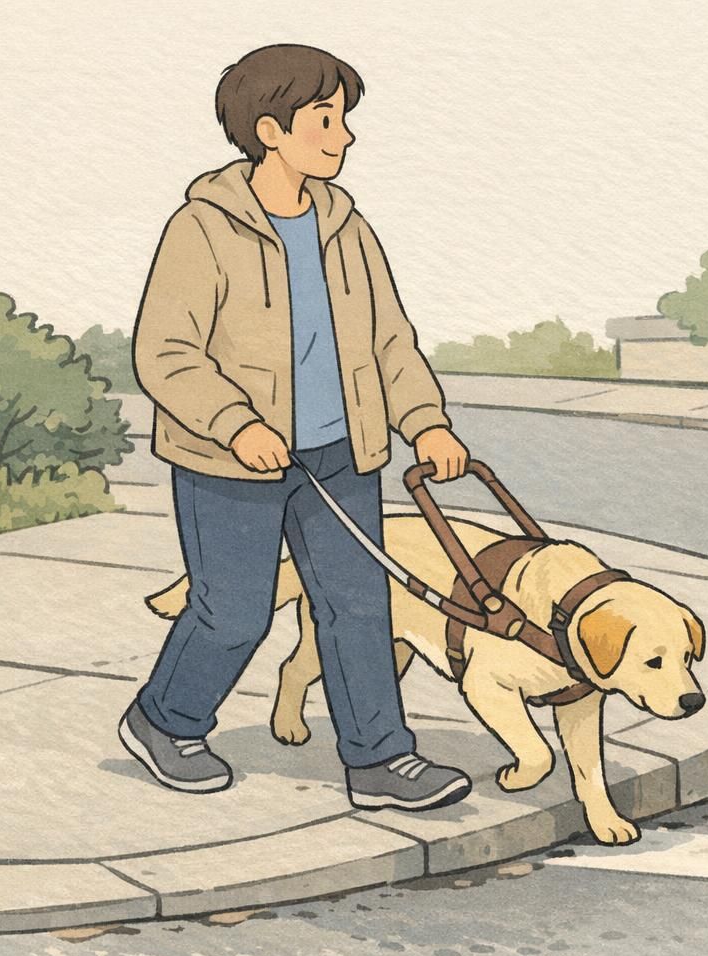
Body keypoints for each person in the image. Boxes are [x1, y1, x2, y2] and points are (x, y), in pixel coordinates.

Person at [118, 43, 473, 812]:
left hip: (343, 453)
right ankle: (164, 719)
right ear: (271, 129)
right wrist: (235, 423)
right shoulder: (203, 228)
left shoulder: (347, 228)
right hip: (231, 463)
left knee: (359, 607)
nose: (343, 136)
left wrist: (426, 423)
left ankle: (380, 758)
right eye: (325, 119)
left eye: (342, 119)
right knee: (233, 612)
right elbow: (163, 352)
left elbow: (391, 342)